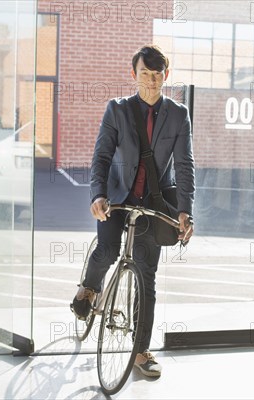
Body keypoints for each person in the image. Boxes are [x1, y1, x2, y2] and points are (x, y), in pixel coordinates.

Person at [70, 44, 195, 378]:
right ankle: (89, 287)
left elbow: (184, 165)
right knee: (108, 250)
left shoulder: (178, 114)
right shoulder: (118, 110)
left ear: (165, 76)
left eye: (157, 75)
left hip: (153, 201)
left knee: (146, 278)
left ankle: (140, 351)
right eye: (145, 74)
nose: (151, 82)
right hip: (116, 196)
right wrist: (97, 195)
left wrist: (186, 211)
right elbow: (101, 158)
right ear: (134, 74)